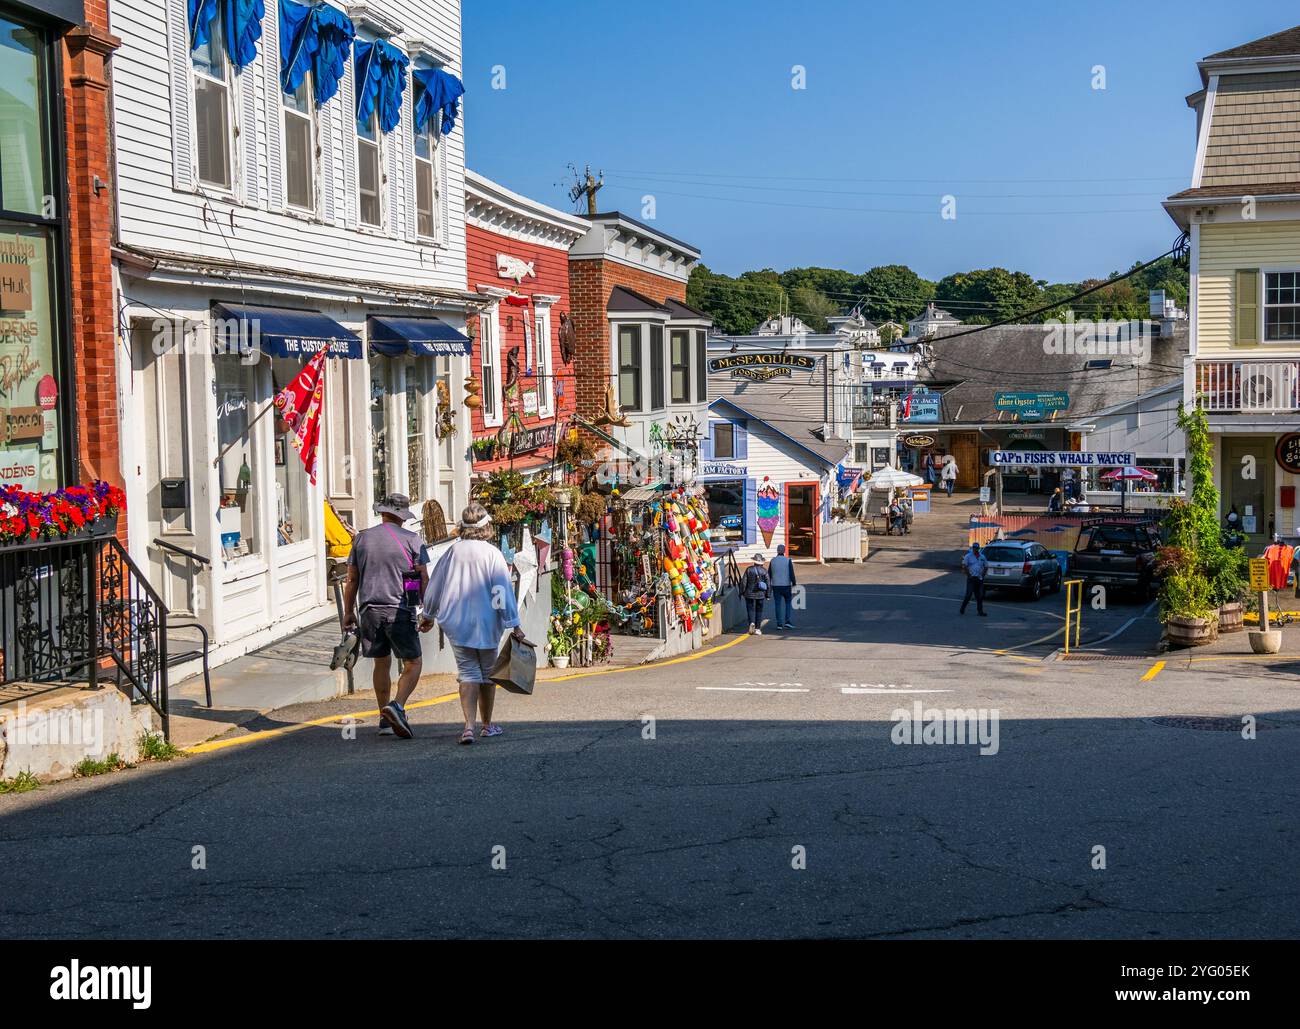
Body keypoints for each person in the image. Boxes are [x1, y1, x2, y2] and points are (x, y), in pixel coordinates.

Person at [420, 502, 526, 745]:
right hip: (488, 623)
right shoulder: (492, 554)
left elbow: (435, 587)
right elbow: (502, 591)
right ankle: (487, 725)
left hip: (457, 623)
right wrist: (514, 624)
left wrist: (428, 615)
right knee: (488, 673)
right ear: (486, 526)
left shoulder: (451, 553)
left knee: (467, 671)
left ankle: (468, 726)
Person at [342, 493, 430, 739]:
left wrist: (348, 612)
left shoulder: (361, 539)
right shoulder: (413, 540)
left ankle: (384, 718)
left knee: (382, 662)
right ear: (402, 516)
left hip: (369, 610)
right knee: (414, 662)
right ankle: (397, 705)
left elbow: (351, 580)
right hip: (399, 609)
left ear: (382, 512)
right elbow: (422, 578)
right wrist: (428, 612)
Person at [741, 554, 771, 635]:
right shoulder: (764, 571)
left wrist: (742, 592)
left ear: (754, 561)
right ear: (761, 562)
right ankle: (757, 628)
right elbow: (768, 583)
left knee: (750, 609)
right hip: (761, 594)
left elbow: (744, 582)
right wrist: (768, 595)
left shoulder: (748, 570)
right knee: (759, 610)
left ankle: (751, 623)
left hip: (749, 593)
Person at [769, 544, 797, 629]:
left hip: (775, 585)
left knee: (778, 604)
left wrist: (768, 585)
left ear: (777, 551)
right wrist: (794, 582)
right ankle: (787, 621)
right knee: (788, 603)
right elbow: (791, 573)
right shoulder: (788, 560)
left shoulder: (772, 561)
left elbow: (769, 574)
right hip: (786, 585)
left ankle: (779, 623)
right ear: (784, 551)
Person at [959, 542, 988, 616]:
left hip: (979, 579)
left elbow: (986, 566)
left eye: (977, 548)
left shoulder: (982, 557)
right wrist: (969, 575)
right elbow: (964, 566)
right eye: (974, 548)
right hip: (971, 578)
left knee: (980, 596)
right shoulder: (968, 556)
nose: (975, 549)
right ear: (972, 548)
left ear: (979, 549)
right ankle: (963, 607)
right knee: (968, 595)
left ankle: (980, 611)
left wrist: (983, 575)